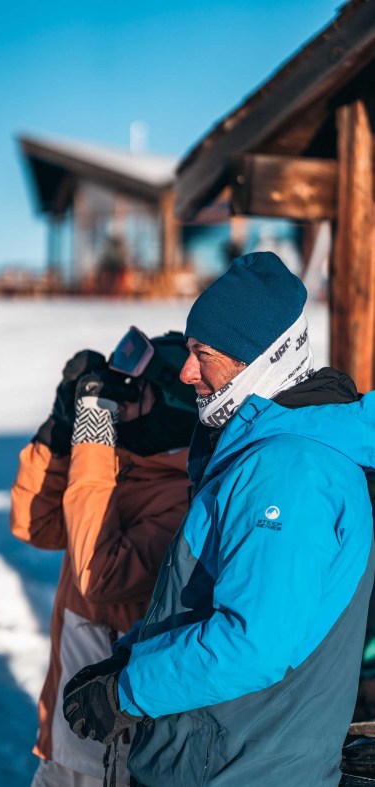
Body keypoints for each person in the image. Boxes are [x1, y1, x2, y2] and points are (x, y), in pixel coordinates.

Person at [63, 251, 375, 787]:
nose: (187, 373)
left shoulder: (288, 471)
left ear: (260, 358)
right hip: (223, 757)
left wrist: (129, 690)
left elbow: (254, 643)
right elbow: (208, 600)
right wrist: (132, 655)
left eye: (201, 353)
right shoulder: (268, 454)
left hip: (238, 768)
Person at [10, 330, 198, 786]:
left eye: (132, 392)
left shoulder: (185, 500)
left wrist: (94, 434)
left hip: (112, 752)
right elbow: (35, 525)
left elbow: (99, 574)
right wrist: (60, 431)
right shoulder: (114, 466)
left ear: (171, 406)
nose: (117, 404)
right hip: (63, 738)